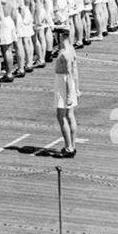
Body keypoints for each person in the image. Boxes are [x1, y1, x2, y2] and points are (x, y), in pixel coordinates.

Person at [51, 25, 79, 158]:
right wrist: (76, 88)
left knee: (61, 116)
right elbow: (75, 71)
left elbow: (68, 75)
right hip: (70, 84)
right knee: (70, 115)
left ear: (61, 36)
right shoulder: (71, 49)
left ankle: (68, 147)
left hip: (63, 83)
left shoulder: (64, 53)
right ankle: (72, 145)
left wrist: (68, 95)